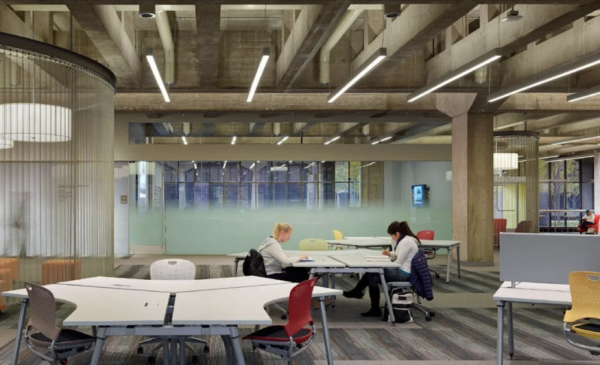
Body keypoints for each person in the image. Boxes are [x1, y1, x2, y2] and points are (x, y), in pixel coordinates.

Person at [343, 221, 420, 317]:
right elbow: (398, 255)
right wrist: (389, 254)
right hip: (402, 270)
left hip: (403, 273)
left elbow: (398, 263)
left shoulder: (406, 242)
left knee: (373, 273)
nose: (392, 238)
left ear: (397, 233)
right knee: (373, 274)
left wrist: (384, 264)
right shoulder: (406, 240)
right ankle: (364, 298)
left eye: (392, 235)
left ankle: (362, 295)